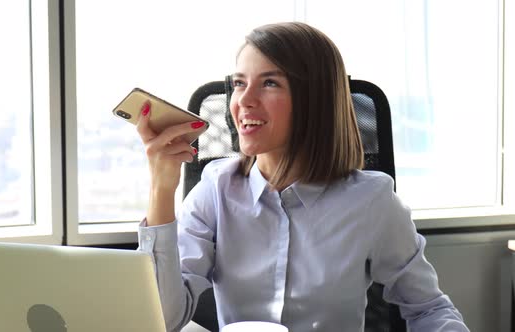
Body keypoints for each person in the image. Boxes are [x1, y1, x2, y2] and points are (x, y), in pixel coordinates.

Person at [135, 22, 469, 332]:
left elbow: (429, 309)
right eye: (239, 83)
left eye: (269, 83)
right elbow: (163, 319)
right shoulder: (216, 187)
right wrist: (161, 190)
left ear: (314, 100)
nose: (244, 101)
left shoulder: (371, 200)